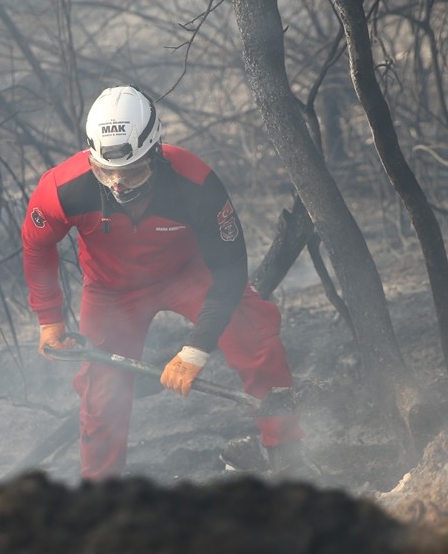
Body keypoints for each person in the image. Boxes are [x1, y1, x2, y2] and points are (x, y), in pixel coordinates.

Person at [22, 85, 305, 479]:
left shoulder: (195, 183)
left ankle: (288, 456)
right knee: (102, 392)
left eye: (132, 171)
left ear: (155, 151)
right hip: (111, 290)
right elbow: (37, 247)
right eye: (106, 172)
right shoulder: (62, 188)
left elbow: (230, 270)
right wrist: (49, 319)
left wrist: (196, 349)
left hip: (189, 274)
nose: (118, 185)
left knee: (255, 339)